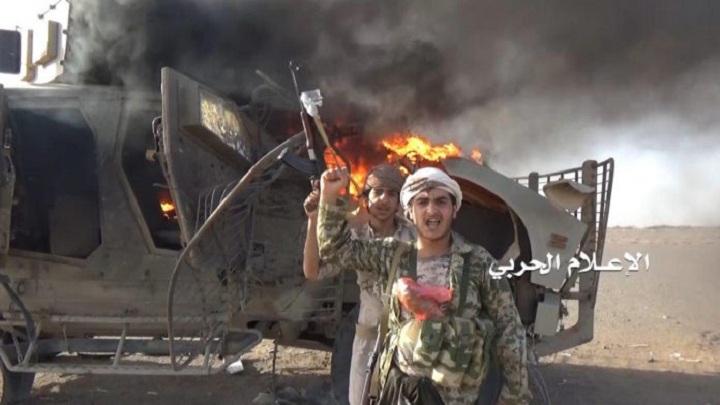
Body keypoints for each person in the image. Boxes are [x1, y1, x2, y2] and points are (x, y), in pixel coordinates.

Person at [315, 165, 532, 405]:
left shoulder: (479, 263)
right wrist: (330, 197)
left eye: (441, 201)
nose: (431, 210)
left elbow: (509, 332)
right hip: (401, 395)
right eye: (422, 202)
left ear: (454, 210)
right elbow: (334, 250)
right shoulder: (392, 254)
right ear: (409, 212)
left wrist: (513, 397)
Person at [302, 163, 417, 405]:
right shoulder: (354, 236)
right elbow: (313, 271)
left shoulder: (413, 235)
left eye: (391, 193)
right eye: (377, 192)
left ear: (399, 202)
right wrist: (314, 220)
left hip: (407, 342)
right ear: (366, 198)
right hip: (368, 340)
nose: (384, 199)